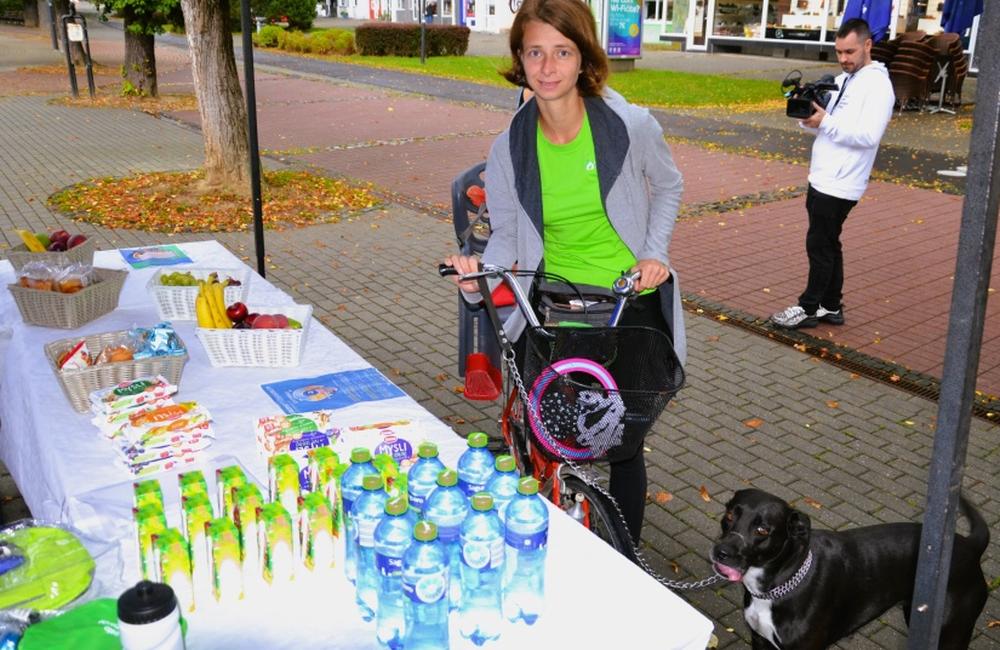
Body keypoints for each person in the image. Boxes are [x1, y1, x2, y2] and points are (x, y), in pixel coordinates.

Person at [444, 0, 685, 545]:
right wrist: (479, 277)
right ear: (520, 59)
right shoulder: (510, 145)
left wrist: (655, 253)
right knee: (547, 436)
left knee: (622, 442)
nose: (548, 67)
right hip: (554, 303)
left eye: (562, 52)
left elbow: (668, 185)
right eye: (535, 52)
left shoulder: (630, 125)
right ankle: (548, 537)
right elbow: (504, 232)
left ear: (583, 59)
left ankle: (626, 563)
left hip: (628, 301)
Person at [771, 18, 894, 330]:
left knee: (819, 245)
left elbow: (868, 136)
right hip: (824, 176)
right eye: (839, 52)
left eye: (849, 51)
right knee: (829, 242)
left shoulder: (878, 86)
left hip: (842, 181)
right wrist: (808, 116)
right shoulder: (844, 80)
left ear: (868, 45)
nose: (843, 58)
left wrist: (825, 122)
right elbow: (826, 124)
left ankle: (808, 308)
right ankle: (831, 306)